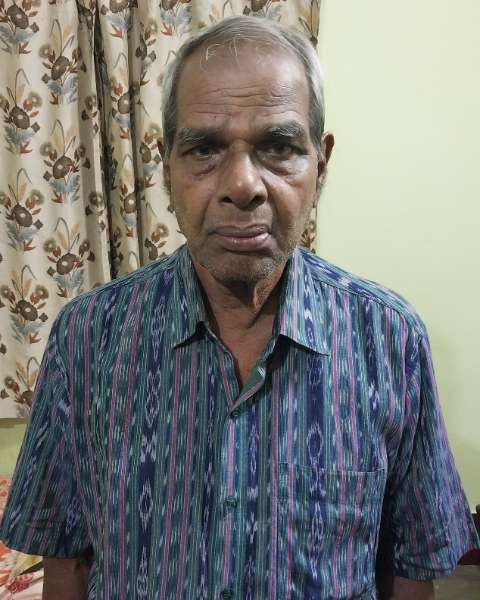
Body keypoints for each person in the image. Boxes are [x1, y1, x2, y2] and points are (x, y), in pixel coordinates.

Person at [0, 16, 478, 600]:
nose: (243, 185)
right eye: (204, 149)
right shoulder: (87, 337)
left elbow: (410, 567)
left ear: (321, 162)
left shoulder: (389, 339)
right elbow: (66, 560)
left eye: (278, 147)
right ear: (167, 166)